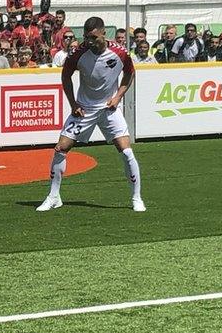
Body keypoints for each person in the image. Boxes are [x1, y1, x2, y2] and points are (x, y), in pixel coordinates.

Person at [37, 16, 145, 213]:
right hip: (84, 109)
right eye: (87, 38)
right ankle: (53, 197)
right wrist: (72, 103)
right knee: (61, 147)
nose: (90, 42)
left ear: (104, 33)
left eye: (94, 37)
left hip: (108, 109)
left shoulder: (119, 53)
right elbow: (65, 75)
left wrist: (118, 96)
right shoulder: (79, 54)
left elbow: (130, 72)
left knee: (126, 150)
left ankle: (136, 198)